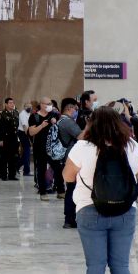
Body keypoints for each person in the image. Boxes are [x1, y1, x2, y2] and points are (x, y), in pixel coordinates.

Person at [63, 107, 138, 274]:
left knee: (95, 266)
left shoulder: (82, 147)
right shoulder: (132, 146)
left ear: (92, 124)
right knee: (121, 265)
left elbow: (67, 176)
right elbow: (136, 177)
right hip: (125, 211)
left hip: (90, 210)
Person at [28, 97, 63, 201]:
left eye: (50, 103)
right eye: (47, 104)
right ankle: (43, 192)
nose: (49, 105)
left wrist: (55, 122)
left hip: (53, 148)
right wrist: (42, 126)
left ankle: (61, 191)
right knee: (41, 170)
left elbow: (60, 127)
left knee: (57, 168)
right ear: (42, 104)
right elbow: (31, 132)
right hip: (40, 148)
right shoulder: (34, 116)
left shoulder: (54, 114)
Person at [57, 98, 83, 229]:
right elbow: (82, 136)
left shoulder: (61, 120)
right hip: (71, 158)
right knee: (72, 189)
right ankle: (69, 219)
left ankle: (70, 218)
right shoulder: (67, 122)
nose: (76, 111)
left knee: (71, 189)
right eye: (75, 109)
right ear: (69, 108)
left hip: (66, 158)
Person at [0, 98, 20, 181]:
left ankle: (12, 175)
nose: (12, 104)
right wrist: (0, 139)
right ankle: (4, 175)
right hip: (5, 138)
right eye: (10, 103)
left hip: (14, 138)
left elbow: (16, 126)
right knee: (4, 157)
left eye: (13, 103)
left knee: (13, 157)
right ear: (6, 104)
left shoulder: (16, 113)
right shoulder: (2, 114)